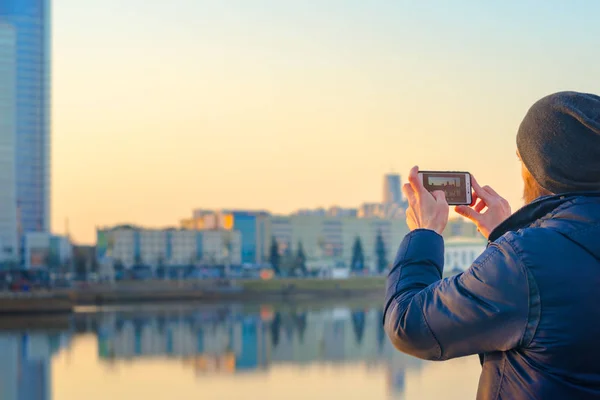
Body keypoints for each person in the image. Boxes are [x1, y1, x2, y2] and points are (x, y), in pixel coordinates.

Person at [383, 91, 600, 399]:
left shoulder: (524, 261)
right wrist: (508, 236)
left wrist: (424, 234)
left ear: (541, 168)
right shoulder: (526, 257)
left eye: (521, 159)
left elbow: (408, 324)